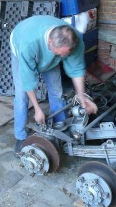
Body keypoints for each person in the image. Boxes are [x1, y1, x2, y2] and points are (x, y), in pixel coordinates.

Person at [10, 15, 98, 156]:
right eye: (59, 54)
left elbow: (76, 70)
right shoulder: (29, 45)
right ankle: (20, 136)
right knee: (21, 97)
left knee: (57, 92)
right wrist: (37, 108)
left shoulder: (74, 41)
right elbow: (28, 81)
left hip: (48, 54)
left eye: (64, 55)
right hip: (20, 43)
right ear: (50, 42)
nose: (62, 57)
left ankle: (60, 127)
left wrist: (82, 98)